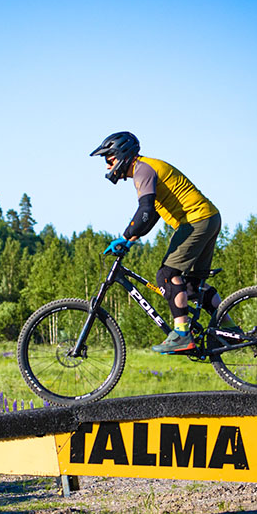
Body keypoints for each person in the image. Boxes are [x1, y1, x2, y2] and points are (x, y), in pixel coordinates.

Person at [91, 131, 226, 353]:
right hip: (209, 218)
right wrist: (130, 239)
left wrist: (125, 236)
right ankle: (230, 328)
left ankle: (182, 334)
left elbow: (144, 210)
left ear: (122, 153)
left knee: (166, 275)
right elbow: (152, 214)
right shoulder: (146, 169)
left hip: (195, 220)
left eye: (109, 159)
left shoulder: (142, 169)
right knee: (191, 285)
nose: (107, 166)